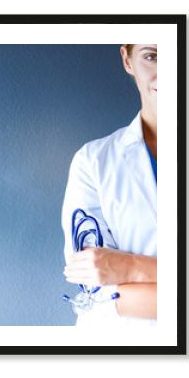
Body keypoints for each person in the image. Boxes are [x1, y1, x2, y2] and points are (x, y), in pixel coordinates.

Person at [61, 44, 157, 331]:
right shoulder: (93, 162)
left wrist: (131, 268)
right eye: (151, 56)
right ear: (127, 60)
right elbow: (97, 293)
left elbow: (115, 283)